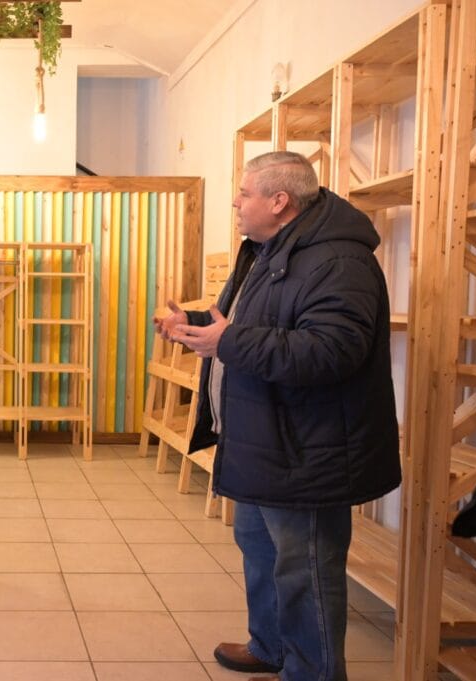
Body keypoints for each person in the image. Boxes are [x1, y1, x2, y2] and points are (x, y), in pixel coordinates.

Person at [155, 151, 400, 681]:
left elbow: (333, 350)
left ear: (280, 201)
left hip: (309, 449)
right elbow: (248, 324)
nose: (237, 202)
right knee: (260, 550)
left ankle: (313, 672)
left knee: (305, 570)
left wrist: (228, 339)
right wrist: (193, 324)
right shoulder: (269, 250)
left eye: (244, 193)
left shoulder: (338, 261)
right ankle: (270, 647)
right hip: (265, 439)